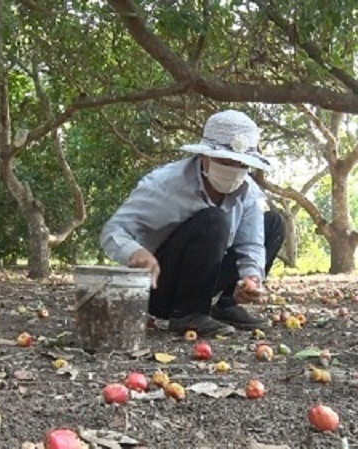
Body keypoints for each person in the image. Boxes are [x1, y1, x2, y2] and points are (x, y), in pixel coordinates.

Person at [100, 110, 285, 336]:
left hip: (209, 279)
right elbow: (113, 230)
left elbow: (251, 244)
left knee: (274, 223)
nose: (232, 171)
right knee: (214, 218)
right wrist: (135, 251)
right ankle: (187, 314)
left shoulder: (249, 192)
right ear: (204, 156)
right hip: (161, 284)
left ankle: (224, 305)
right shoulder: (164, 185)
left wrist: (251, 277)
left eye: (240, 164)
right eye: (224, 162)